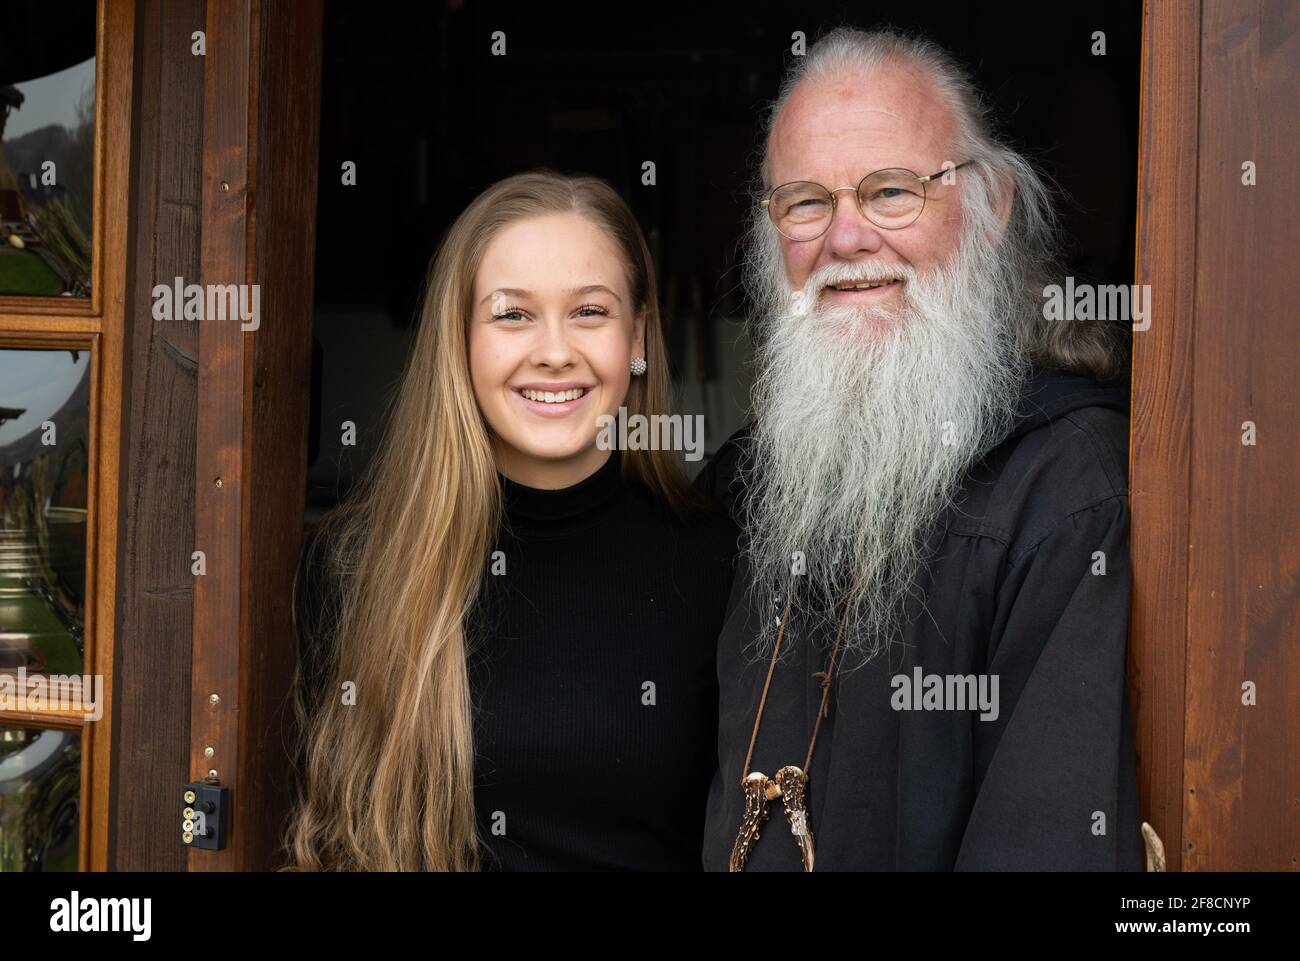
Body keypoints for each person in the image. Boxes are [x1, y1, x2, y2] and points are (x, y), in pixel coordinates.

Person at [697, 27, 1142, 871]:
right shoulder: (746, 482)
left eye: (892, 191)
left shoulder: (1066, 489)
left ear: (992, 203)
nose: (847, 238)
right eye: (805, 202)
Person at [285, 170, 737, 871]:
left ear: (638, 336)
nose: (554, 351)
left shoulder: (719, 566)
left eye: (589, 311)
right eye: (513, 314)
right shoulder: (358, 564)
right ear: (459, 339)